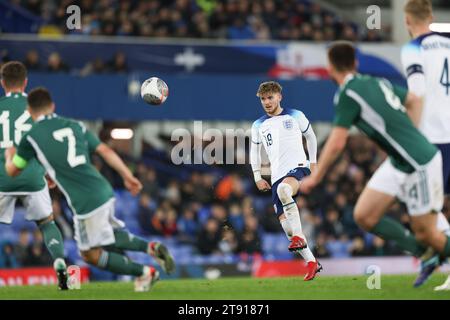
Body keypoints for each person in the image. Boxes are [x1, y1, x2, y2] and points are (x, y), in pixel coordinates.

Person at [300, 41, 450, 286]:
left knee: (427, 232)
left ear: (329, 67)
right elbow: (413, 99)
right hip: (399, 160)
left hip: (418, 162)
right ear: (355, 63)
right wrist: (408, 132)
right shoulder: (374, 81)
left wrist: (315, 177)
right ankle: (426, 255)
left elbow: (337, 142)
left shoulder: (347, 93)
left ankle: (431, 249)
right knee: (364, 215)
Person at [5, 87, 175, 292]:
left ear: (29, 111)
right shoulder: (75, 125)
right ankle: (151, 248)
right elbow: (104, 150)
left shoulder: (31, 136)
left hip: (84, 200)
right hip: (103, 188)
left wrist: (9, 155)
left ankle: (145, 273)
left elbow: (13, 171)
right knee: (108, 235)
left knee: (89, 254)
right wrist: (127, 176)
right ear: (53, 107)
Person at [0, 61, 68, 290]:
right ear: (25, 82)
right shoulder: (38, 108)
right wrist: (50, 174)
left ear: (2, 83)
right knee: (47, 223)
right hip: (33, 176)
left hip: (3, 176)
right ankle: (59, 260)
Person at [250, 81, 322, 281]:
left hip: (299, 167)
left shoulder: (295, 115)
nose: (266, 102)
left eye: (270, 97)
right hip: (276, 175)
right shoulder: (258, 125)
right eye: (263, 99)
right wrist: (257, 176)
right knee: (288, 229)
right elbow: (254, 153)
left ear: (279, 96)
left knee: (284, 190)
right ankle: (312, 262)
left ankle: (300, 237)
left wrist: (314, 163)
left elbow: (312, 137)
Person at [402, 0, 450, 288]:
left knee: (426, 211)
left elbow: (416, 92)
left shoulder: (413, 48)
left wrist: (410, 135)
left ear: (407, 21)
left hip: (432, 138)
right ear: (431, 17)